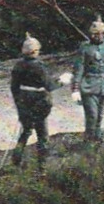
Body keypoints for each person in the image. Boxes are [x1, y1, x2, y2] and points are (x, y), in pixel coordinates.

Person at [10, 35, 69, 169]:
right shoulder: (39, 67)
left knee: (25, 131)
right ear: (35, 51)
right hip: (39, 102)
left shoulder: (18, 66)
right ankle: (42, 166)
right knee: (42, 135)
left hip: (23, 101)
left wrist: (19, 103)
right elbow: (48, 85)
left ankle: (16, 159)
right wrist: (62, 81)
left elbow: (14, 87)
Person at [72, 17, 104, 145]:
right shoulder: (85, 47)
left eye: (100, 34)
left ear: (103, 33)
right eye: (94, 34)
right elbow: (79, 69)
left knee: (100, 116)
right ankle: (88, 142)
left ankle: (97, 142)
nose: (97, 36)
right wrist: (75, 89)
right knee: (92, 116)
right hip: (88, 86)